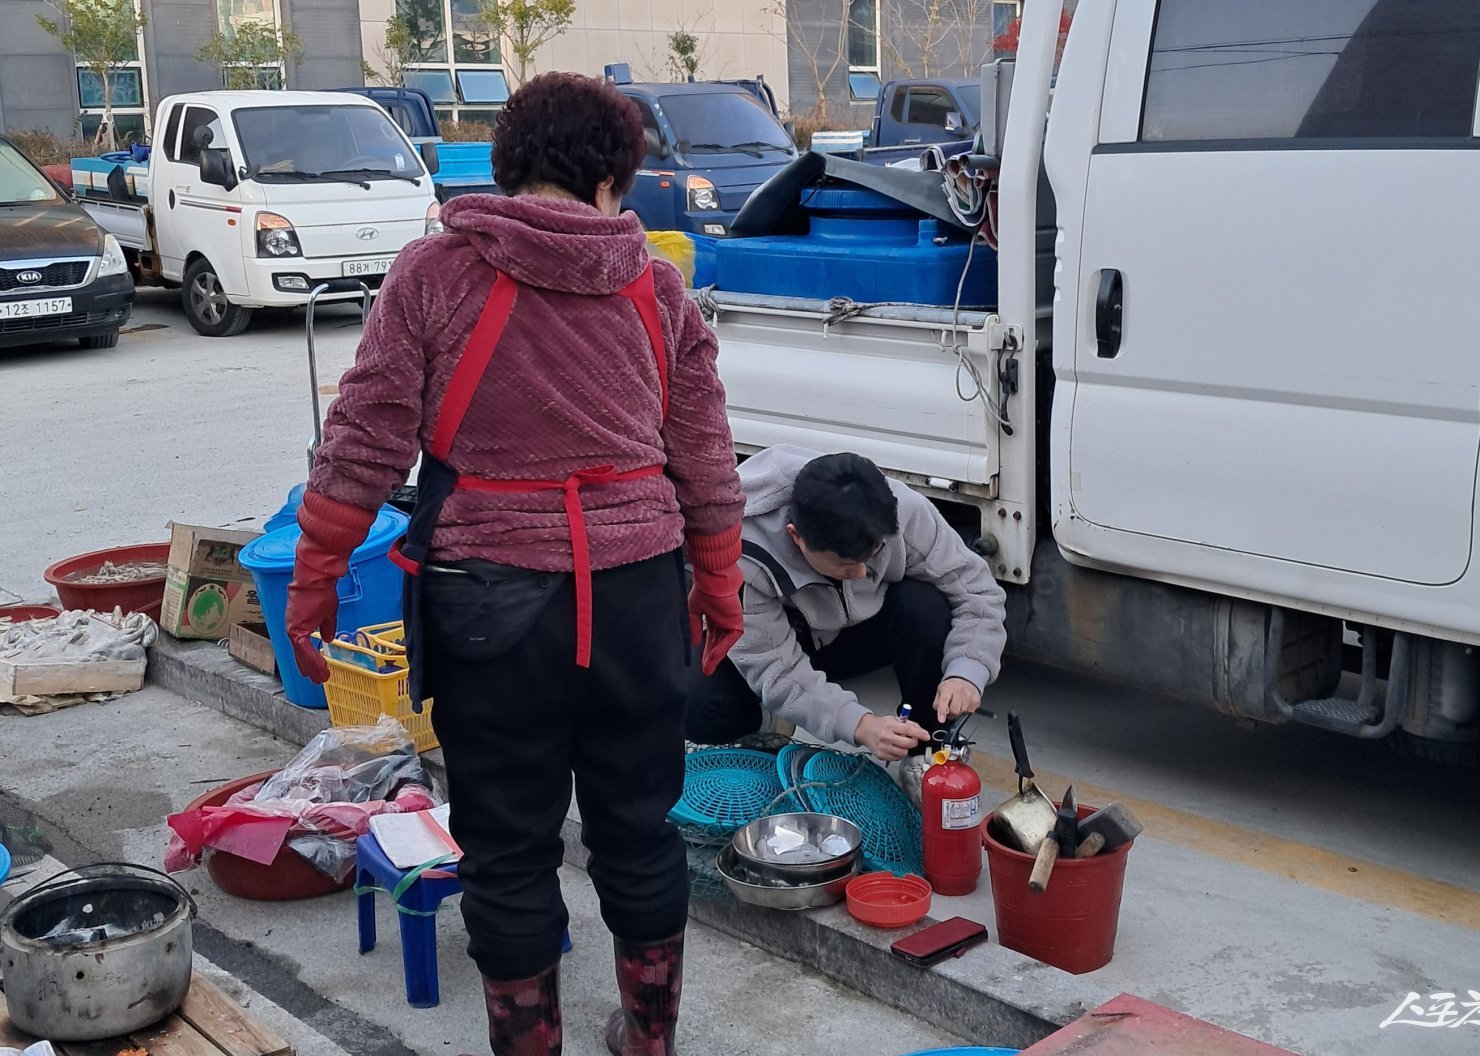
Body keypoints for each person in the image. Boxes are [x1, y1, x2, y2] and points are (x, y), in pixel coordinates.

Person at [282, 72, 745, 1056]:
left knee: (506, 849)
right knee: (639, 829)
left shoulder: (433, 274)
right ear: (614, 180)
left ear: (505, 168)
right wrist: (718, 585)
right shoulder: (657, 288)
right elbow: (704, 458)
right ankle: (648, 1042)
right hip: (634, 596)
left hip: (489, 607)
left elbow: (365, 432)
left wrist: (318, 570)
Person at [687, 444, 1006, 761]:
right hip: (781, 637)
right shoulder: (739, 554)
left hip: (852, 633)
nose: (860, 573)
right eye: (844, 565)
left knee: (926, 607)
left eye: (874, 555)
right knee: (697, 703)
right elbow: (777, 670)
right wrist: (861, 726)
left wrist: (967, 671)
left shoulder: (903, 509)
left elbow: (978, 591)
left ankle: (927, 750)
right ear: (796, 536)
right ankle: (767, 720)